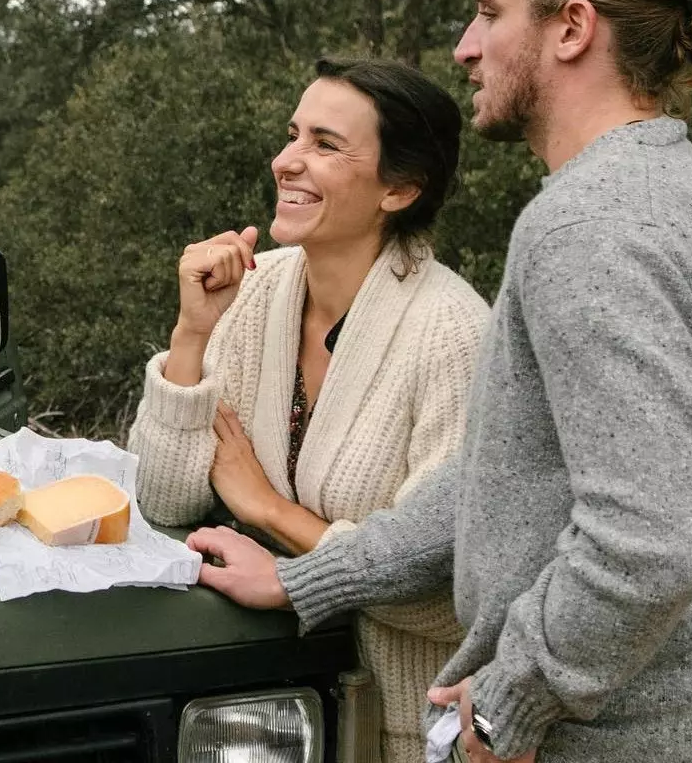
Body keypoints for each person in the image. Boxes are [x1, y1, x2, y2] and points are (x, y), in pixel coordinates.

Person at [187, 0, 692, 763]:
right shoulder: (691, 195)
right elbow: (507, 478)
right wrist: (311, 579)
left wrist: (516, 695)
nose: (465, 47)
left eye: (489, 13)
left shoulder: (591, 227)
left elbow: (653, 539)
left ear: (572, 28)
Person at [129, 59, 491, 761]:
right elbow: (164, 501)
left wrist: (272, 516)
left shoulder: (452, 336)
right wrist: (193, 333)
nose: (286, 160)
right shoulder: (260, 291)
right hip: (255, 722)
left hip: (409, 737)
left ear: (400, 188)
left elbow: (457, 598)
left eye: (325, 145)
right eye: (293, 135)